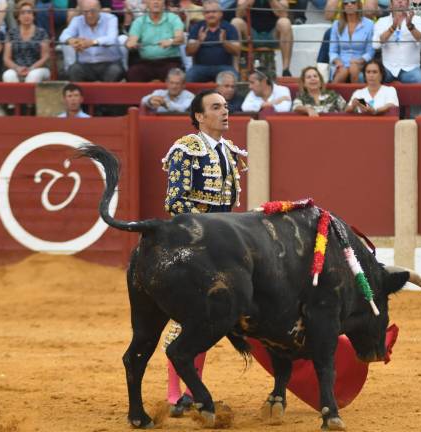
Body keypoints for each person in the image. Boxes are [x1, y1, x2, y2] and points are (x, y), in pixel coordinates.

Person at [160, 89, 247, 415]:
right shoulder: (185, 150)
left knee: (210, 321)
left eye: (225, 106)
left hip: (221, 247)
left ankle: (193, 390)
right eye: (216, 107)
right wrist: (210, 231)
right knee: (187, 319)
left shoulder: (229, 151)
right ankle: (173, 395)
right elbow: (175, 202)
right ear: (199, 116)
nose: (224, 112)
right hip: (190, 244)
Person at [59, 0, 125, 82]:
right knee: (74, 70)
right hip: (85, 64)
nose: (89, 15)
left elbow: (112, 39)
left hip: (109, 63)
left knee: (115, 71)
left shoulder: (110, 19)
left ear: (99, 9)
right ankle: (80, 94)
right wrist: (72, 40)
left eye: (93, 11)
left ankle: (106, 94)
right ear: (81, 11)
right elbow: (63, 36)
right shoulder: (77, 20)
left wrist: (92, 42)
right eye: (86, 12)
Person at [125, 0, 185, 82]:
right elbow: (132, 40)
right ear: (146, 3)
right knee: (133, 73)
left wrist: (171, 41)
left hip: (169, 61)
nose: (156, 2)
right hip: (146, 62)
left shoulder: (173, 18)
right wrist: (131, 43)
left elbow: (180, 38)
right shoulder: (139, 21)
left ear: (164, 3)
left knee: (174, 75)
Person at [231, 0, 293, 76]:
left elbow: (284, 14)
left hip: (273, 35)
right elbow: (239, 14)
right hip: (251, 34)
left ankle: (285, 70)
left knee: (285, 22)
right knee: (236, 22)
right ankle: (235, 71)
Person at [372, 0, 421, 84]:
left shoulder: (417, 20)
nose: (400, 1)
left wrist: (411, 27)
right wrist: (392, 28)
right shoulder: (382, 21)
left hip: (410, 69)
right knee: (367, 77)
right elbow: (375, 45)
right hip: (388, 68)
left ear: (408, 4)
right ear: (391, 4)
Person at [184, 0, 239, 82]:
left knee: (232, 78)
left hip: (224, 67)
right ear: (203, 14)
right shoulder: (197, 27)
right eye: (207, 12)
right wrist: (199, 41)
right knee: (189, 76)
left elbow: (237, 51)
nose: (211, 15)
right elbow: (188, 52)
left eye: (214, 12)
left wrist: (224, 42)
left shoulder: (229, 27)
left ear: (221, 13)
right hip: (200, 68)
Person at [2, 0, 51, 83]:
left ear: (33, 15)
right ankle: (16, 96)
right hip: (17, 68)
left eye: (29, 12)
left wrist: (31, 68)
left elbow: (45, 57)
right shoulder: (11, 33)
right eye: (23, 13)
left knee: (32, 76)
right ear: (18, 16)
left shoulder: (42, 32)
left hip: (38, 68)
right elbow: (6, 58)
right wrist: (17, 68)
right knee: (8, 75)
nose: (26, 16)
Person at [329, 0, 374, 83]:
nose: (349, 5)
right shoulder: (336, 24)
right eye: (346, 3)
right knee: (342, 72)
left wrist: (360, 61)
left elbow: (370, 52)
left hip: (360, 61)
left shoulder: (369, 24)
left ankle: (356, 95)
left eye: (353, 2)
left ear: (358, 5)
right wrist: (337, 61)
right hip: (341, 62)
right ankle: (333, 95)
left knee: (354, 68)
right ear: (343, 7)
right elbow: (332, 51)